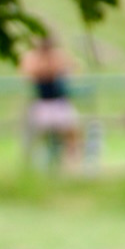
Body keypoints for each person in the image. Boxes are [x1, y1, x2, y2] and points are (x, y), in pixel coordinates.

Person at [20, 34, 80, 166]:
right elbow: (30, 71)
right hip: (42, 101)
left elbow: (71, 66)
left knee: (71, 131)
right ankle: (34, 163)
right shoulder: (33, 57)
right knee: (36, 134)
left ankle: (71, 162)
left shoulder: (58, 55)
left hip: (59, 101)